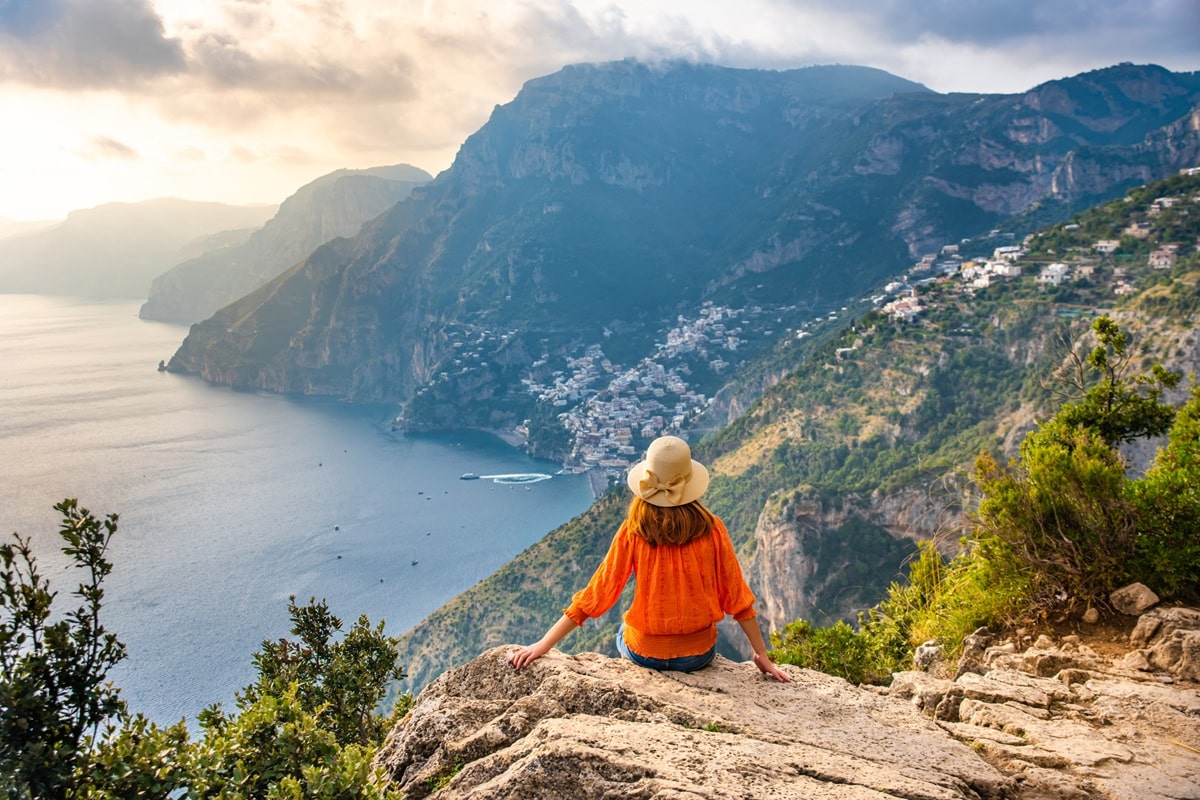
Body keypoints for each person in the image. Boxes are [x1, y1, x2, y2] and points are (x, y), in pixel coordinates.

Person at [509, 435, 791, 682]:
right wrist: (761, 654)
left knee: (624, 628)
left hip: (644, 654)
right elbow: (738, 597)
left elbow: (597, 594)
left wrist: (543, 645)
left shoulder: (633, 531)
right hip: (697, 656)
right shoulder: (713, 529)